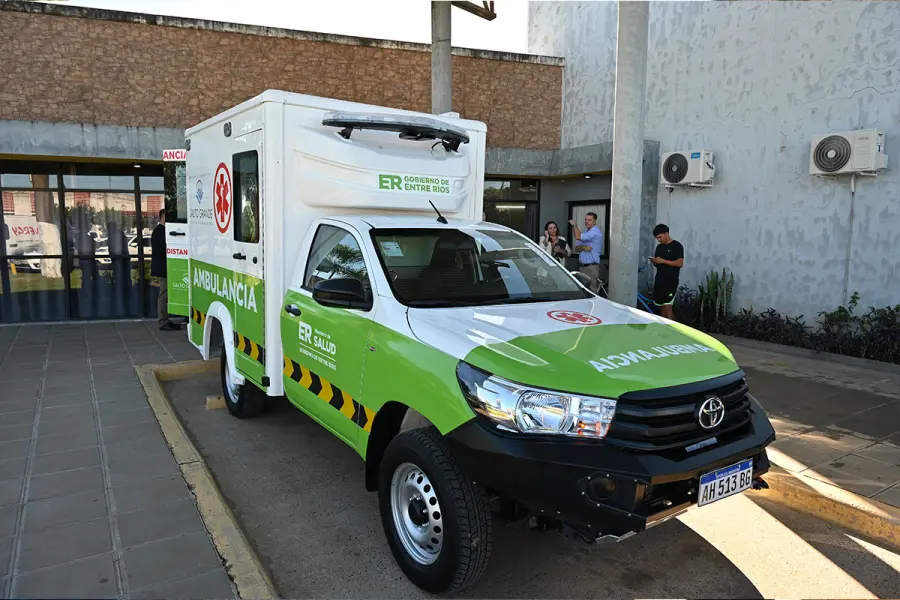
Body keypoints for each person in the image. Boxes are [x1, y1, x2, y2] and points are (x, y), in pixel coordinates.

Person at [151, 209, 179, 331]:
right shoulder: (160, 232)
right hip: (164, 268)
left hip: (167, 267)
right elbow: (162, 251)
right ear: (163, 218)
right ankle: (163, 321)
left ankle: (165, 320)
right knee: (164, 294)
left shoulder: (162, 231)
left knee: (167, 293)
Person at [650, 223, 684, 320]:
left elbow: (680, 263)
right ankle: (664, 329)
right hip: (659, 280)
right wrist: (655, 262)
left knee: (668, 307)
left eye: (660, 237)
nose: (659, 240)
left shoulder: (677, 246)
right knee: (661, 307)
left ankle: (675, 329)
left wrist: (663, 261)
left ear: (666, 233)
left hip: (670, 281)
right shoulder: (659, 247)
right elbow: (658, 262)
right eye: (657, 238)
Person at [568, 212, 603, 293]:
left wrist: (574, 225)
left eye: (589, 220)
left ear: (594, 222)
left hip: (591, 267)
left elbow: (577, 236)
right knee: (583, 292)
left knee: (591, 292)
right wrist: (583, 247)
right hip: (582, 267)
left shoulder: (595, 232)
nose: (587, 221)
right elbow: (576, 249)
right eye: (585, 219)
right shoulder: (585, 233)